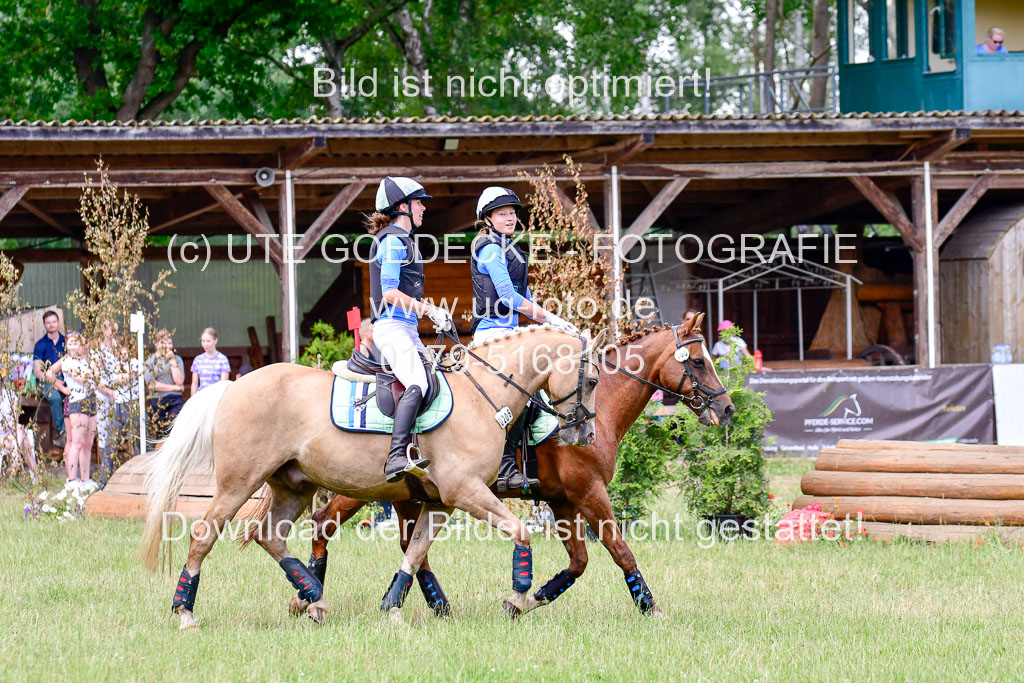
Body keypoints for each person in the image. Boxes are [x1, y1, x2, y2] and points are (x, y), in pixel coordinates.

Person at [470, 186, 578, 490]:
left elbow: (526, 298)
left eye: (513, 214)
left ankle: (532, 464)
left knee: (537, 398)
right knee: (521, 395)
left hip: (512, 334)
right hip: (491, 334)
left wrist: (553, 324)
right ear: (488, 219)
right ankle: (504, 466)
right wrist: (553, 319)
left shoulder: (511, 250)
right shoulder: (489, 248)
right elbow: (507, 297)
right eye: (502, 214)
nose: (510, 218)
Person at [368, 176, 452, 483]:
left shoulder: (403, 240)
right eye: (419, 203)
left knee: (435, 380)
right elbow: (389, 293)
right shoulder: (392, 240)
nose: (423, 209)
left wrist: (426, 312)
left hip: (407, 328)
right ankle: (395, 457)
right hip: (391, 327)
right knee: (417, 380)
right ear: (403, 206)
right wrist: (430, 310)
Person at [47, 331, 97, 490]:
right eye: (72, 343)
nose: (75, 346)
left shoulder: (87, 360)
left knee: (88, 443)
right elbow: (86, 378)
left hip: (91, 400)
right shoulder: (68, 361)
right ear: (67, 346)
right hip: (77, 401)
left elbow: (96, 376)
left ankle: (85, 478)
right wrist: (62, 388)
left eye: (78, 342)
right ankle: (71, 479)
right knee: (76, 441)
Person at [31, 310, 67, 449]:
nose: (51, 325)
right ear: (44, 325)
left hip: (65, 379)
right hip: (46, 381)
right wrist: (51, 380)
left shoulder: (66, 342)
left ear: (58, 323)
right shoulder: (40, 344)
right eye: (48, 323)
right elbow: (37, 371)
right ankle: (62, 434)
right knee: (55, 397)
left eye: (54, 322)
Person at [1, 356, 36, 480]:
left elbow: (15, 420)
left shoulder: (9, 395)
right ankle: (35, 475)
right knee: (23, 440)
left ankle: (14, 466)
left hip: (11, 435)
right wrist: (6, 426)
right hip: (2, 437)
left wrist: (9, 426)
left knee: (20, 430)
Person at [145, 329, 185, 439]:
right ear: (157, 344)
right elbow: (151, 384)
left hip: (175, 399)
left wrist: (172, 361)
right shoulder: (150, 361)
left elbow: (180, 381)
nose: (168, 345)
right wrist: (174, 387)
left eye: (170, 343)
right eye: (164, 342)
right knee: (161, 433)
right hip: (158, 399)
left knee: (174, 429)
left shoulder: (177, 359)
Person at [190, 327, 231, 394]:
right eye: (203, 341)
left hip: (216, 396)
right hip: (201, 396)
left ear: (215, 341)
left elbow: (223, 384)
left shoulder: (223, 359)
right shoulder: (198, 360)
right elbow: (194, 384)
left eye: (208, 341)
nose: (206, 344)